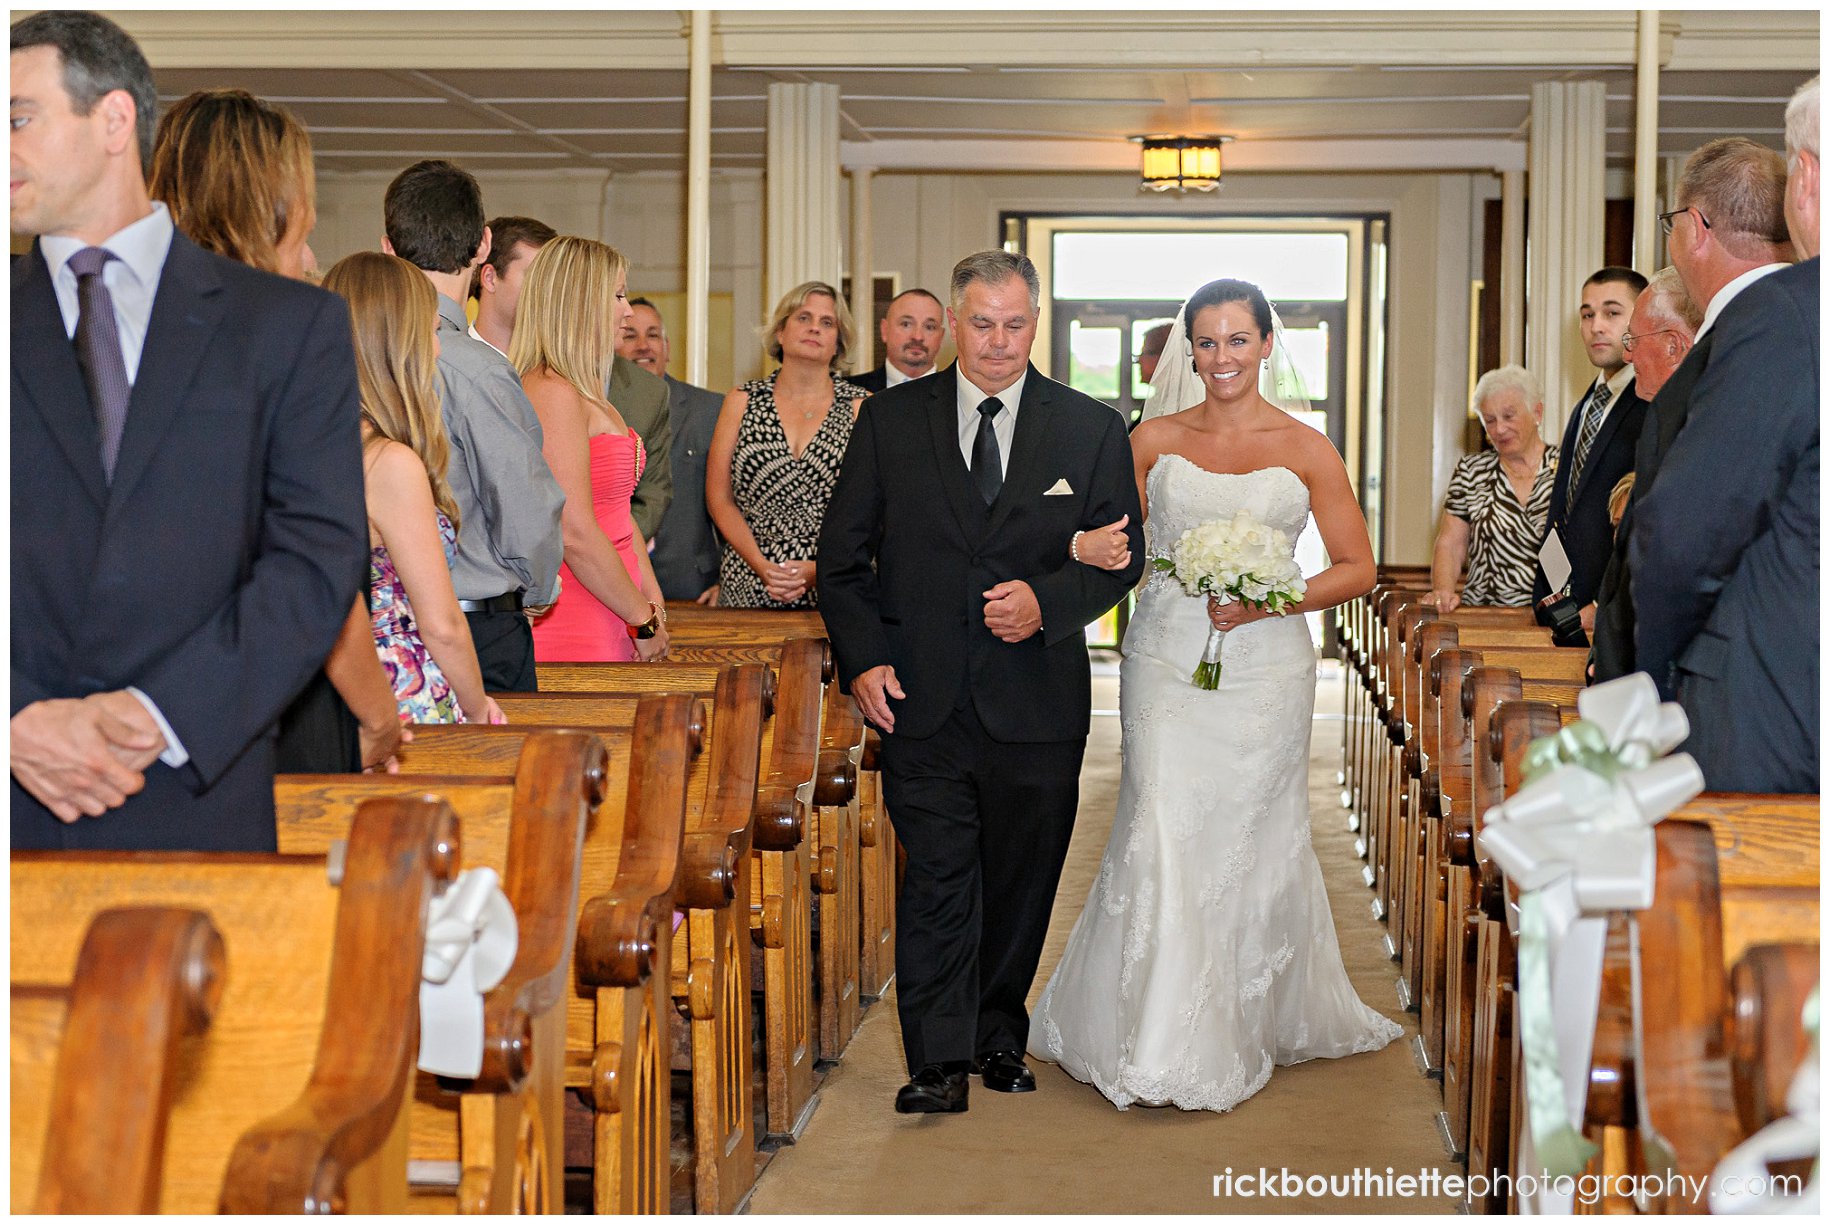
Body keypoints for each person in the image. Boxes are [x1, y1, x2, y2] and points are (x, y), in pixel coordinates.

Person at [1029, 277, 1398, 1112]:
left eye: (1238, 340)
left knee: (1246, 837)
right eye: (1206, 341)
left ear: (1268, 344)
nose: (1222, 357)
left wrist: (1274, 595)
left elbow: (1357, 566)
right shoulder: (1149, 439)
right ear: (1186, 351)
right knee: (1160, 817)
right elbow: (1109, 539)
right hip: (1164, 655)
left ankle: (1238, 1015)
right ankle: (1156, 1030)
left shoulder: (1308, 448)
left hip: (1266, 669)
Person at [11, 11, 367, 850]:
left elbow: (315, 558)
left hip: (197, 787)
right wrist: (17, 718)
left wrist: (156, 713)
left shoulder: (286, 326)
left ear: (113, 121)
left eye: (18, 117)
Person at [818, 250, 1145, 1114]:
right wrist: (863, 659)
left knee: (1020, 877)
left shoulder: (1090, 427)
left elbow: (1123, 561)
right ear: (952, 323)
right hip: (917, 695)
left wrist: (1046, 601)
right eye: (982, 323)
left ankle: (999, 1030)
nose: (999, 343)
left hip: (1036, 699)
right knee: (936, 877)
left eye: (1015, 324)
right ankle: (934, 1058)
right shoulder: (889, 420)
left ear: (1035, 322)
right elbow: (842, 561)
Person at [148, 87, 405, 777]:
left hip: (148, 696)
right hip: (278, 694)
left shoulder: (118, 326)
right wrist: (380, 716)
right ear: (277, 203)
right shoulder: (290, 331)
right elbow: (317, 570)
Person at [1630, 81, 1818, 792]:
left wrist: (1654, 682)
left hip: (1775, 708)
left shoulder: (1787, 314)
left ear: (1804, 177)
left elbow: (1685, 533)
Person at [1589, 137, 1792, 684]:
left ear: (1696, 228)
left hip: (1721, 691)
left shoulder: (1728, 353)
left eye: (1670, 222)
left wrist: (1650, 692)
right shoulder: (1797, 322)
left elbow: (1681, 551)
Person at [383, 160, 565, 691]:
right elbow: (524, 506)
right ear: (483, 246)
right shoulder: (478, 368)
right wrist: (535, 590)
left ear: (388, 247)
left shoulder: (351, 350)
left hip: (382, 625)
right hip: (477, 626)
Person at [323, 251, 504, 726]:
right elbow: (441, 625)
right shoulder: (389, 463)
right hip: (403, 694)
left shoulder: (318, 448)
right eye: (432, 330)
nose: (438, 349)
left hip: (344, 695)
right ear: (395, 344)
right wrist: (477, 707)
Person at [513, 237, 670, 662]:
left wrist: (650, 600)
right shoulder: (550, 388)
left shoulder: (584, 390)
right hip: (579, 613)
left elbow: (617, 512)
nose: (628, 310)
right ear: (579, 301)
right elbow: (573, 530)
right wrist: (642, 617)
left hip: (616, 602)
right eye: (617, 295)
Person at [710, 281, 868, 609]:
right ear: (780, 332)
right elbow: (719, 499)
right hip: (749, 576)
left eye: (827, 322)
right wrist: (761, 565)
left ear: (838, 342)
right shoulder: (741, 400)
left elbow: (876, 510)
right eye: (803, 317)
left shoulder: (862, 407)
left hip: (835, 580)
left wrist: (821, 568)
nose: (814, 327)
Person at [1587, 269, 1701, 680]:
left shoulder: (1698, 426)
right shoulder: (1662, 419)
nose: (1628, 356)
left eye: (1633, 341)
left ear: (1674, 345)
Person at [1529, 267, 1649, 636]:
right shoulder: (1586, 405)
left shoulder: (1651, 401)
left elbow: (1644, 517)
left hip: (1613, 610)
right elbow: (1566, 507)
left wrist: (1602, 604)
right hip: (1563, 602)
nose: (1597, 325)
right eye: (1587, 314)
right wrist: (1549, 592)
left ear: (1643, 316)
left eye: (1612, 313)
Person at [619, 296, 726, 603]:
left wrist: (730, 580)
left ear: (667, 348)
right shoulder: (594, 411)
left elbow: (737, 501)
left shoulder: (711, 410)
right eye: (630, 335)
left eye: (653, 335)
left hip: (693, 589)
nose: (644, 345)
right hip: (612, 585)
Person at [1426, 365, 1559, 611]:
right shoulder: (1471, 472)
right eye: (1490, 420)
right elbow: (1450, 544)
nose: (1499, 429)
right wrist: (1443, 591)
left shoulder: (1566, 469)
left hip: (1552, 615)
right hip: (1484, 613)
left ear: (1537, 413)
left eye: (1509, 416)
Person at [468, 213, 555, 359]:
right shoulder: (450, 364)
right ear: (490, 278)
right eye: (533, 276)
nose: (546, 290)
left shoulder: (555, 373)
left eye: (551, 279)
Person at [850, 287, 946, 392]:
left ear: (941, 336)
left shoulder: (958, 393)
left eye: (929, 327)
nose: (918, 337)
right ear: (884, 330)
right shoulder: (850, 392)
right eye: (906, 324)